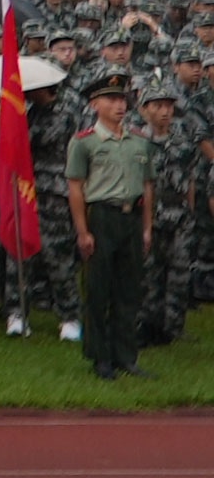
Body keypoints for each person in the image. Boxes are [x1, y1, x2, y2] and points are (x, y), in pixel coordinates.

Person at [68, 74, 154, 379]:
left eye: (122, 100)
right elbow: (76, 188)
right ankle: (100, 356)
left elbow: (147, 186)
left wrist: (147, 228)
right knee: (98, 289)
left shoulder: (139, 140)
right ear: (95, 104)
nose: (119, 106)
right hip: (102, 217)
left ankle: (126, 356)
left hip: (131, 216)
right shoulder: (85, 142)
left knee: (129, 290)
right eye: (112, 100)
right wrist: (83, 231)